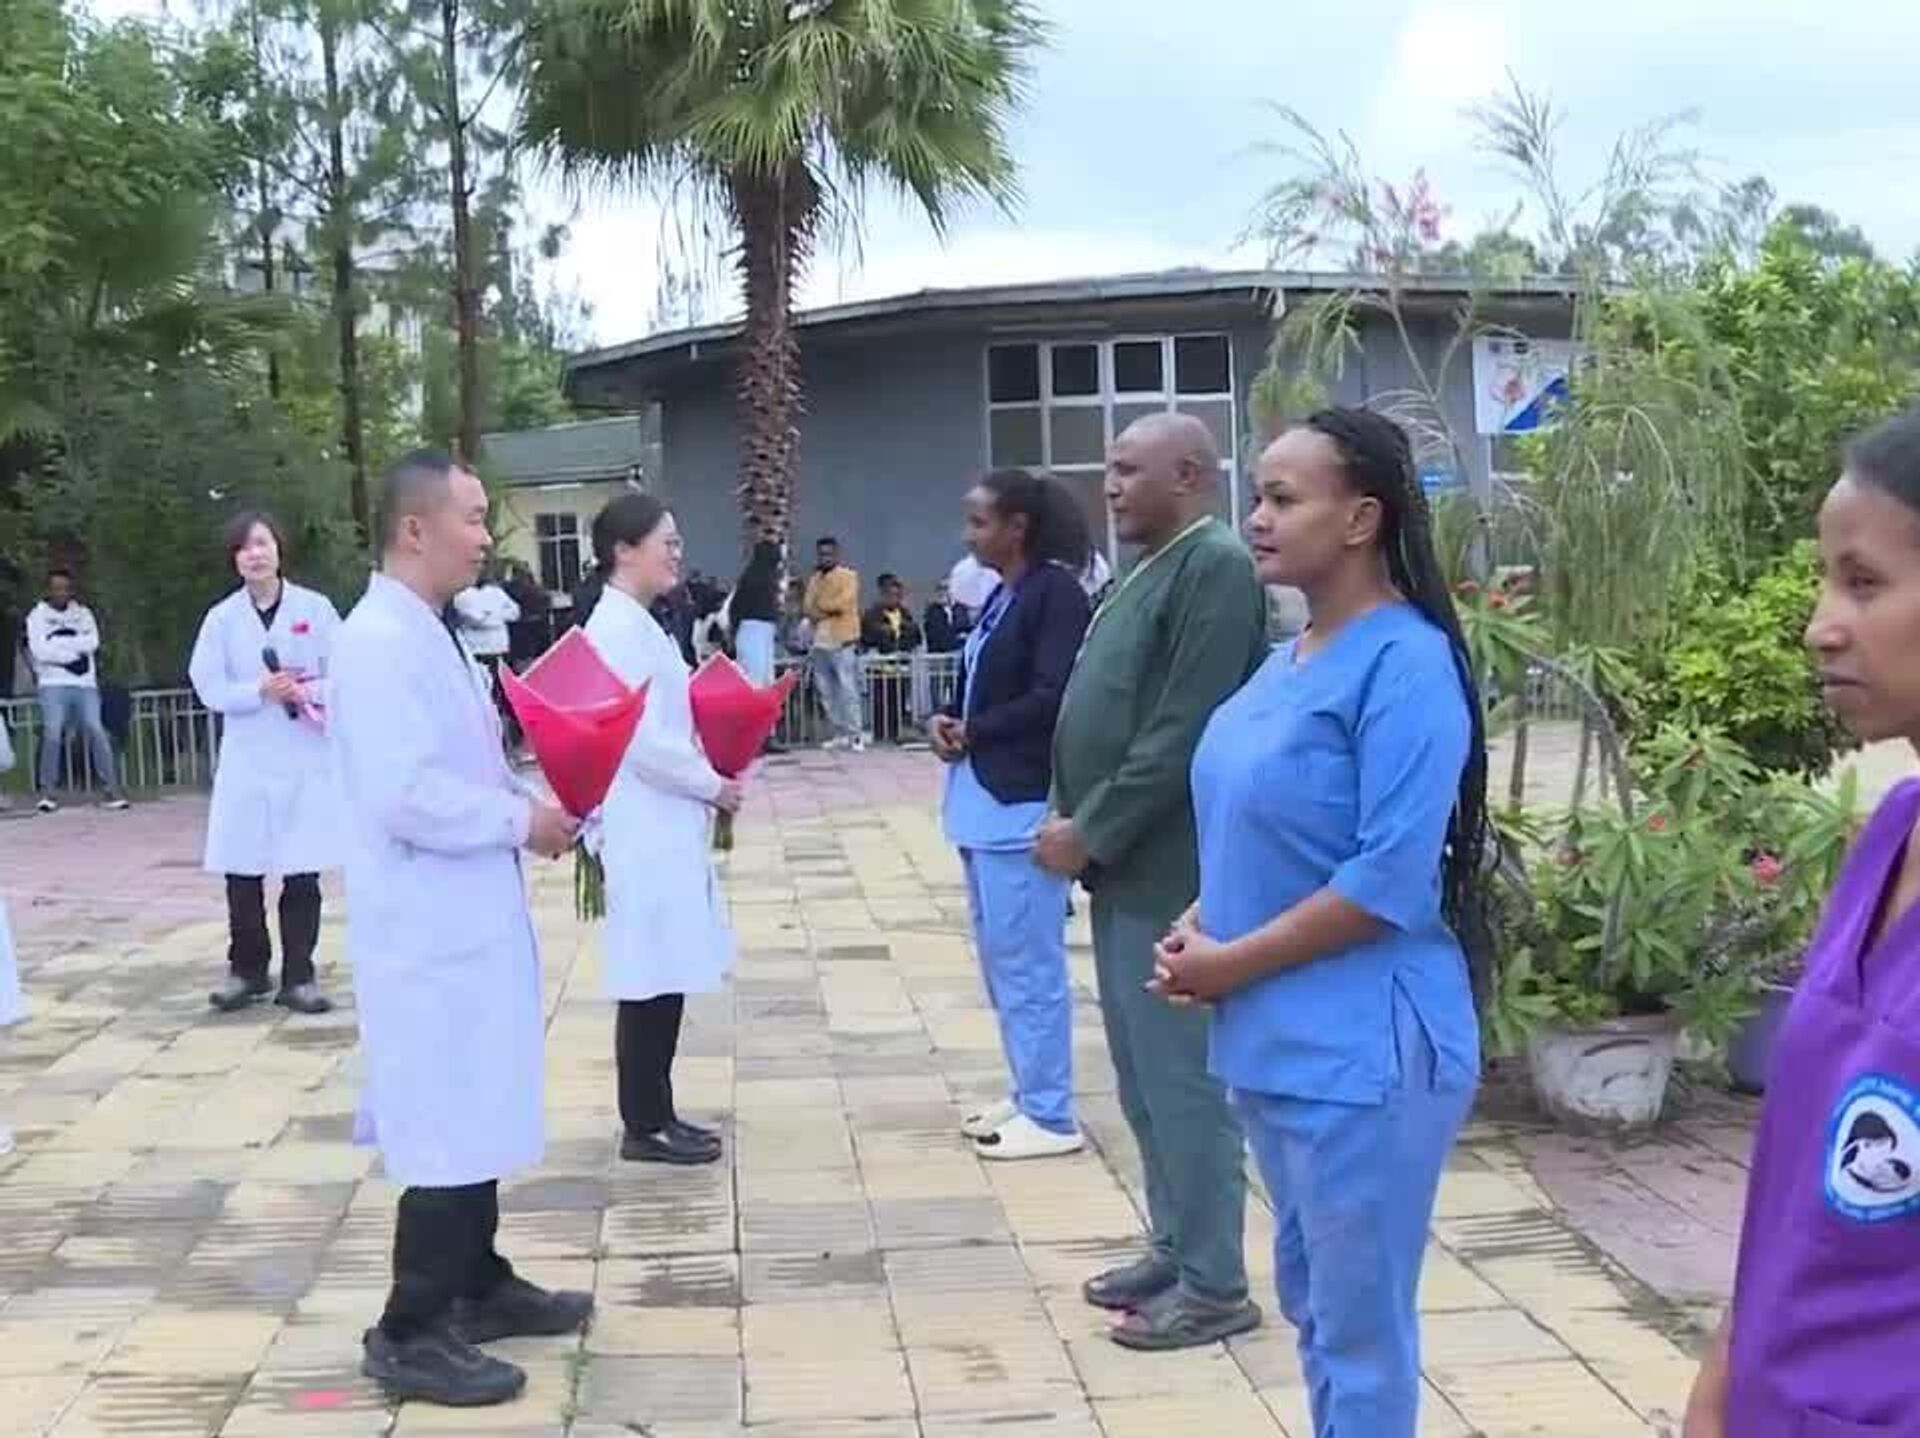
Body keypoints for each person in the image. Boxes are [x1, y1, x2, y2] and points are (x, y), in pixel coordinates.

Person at [1152, 409, 1488, 1435]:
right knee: (1313, 1303)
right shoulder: (1286, 660)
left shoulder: (1406, 665)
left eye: (1282, 498)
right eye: (1256, 495)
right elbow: (1264, 830)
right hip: (1275, 1044)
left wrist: (1227, 964)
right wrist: (1200, 922)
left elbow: (1387, 880)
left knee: (1359, 1329)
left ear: (1361, 519)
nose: (1254, 518)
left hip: (1364, 1054)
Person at [330, 451, 590, 1407]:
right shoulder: (376, 643)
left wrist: (537, 805)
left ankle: (476, 1281)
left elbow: (466, 769)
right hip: (427, 929)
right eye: (473, 518)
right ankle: (409, 1329)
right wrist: (519, 821)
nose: (487, 537)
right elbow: (405, 794)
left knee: (479, 1101)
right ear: (415, 529)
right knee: (445, 1116)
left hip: (469, 914)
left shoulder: (428, 633)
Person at [1683, 406, 1920, 1437]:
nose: (1821, 624)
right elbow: (1799, 1185)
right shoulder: (1890, 837)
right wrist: (1721, 1381)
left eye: (1864, 584)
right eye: (1827, 581)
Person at [1039, 412, 1268, 1350]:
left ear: (1190, 476)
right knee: (1140, 1084)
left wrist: (1091, 828)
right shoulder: (1146, 571)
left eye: (1131, 470)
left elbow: (1182, 729)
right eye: (1109, 468)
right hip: (1123, 875)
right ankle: (1175, 1247)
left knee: (1183, 1086)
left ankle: (1215, 1284)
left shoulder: (1214, 567)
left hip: (1172, 875)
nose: (1111, 486)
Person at [932, 470, 1092, 1160]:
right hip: (980, 802)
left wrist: (979, 730)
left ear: (1017, 527)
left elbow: (1054, 695)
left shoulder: (1055, 594)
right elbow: (979, 680)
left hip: (1020, 804)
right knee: (1002, 961)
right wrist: (947, 720)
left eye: (979, 522)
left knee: (1029, 966)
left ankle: (1051, 1114)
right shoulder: (1004, 594)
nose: (968, 535)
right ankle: (1027, 1091)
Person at [583, 494, 742, 1167]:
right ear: (624, 550)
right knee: (648, 971)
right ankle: (643, 1122)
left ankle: (658, 1111)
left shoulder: (640, 623)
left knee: (666, 968)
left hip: (664, 819)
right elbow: (640, 740)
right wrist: (712, 783)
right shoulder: (615, 630)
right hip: (642, 820)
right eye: (665, 542)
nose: (677, 553)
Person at [188, 512, 345, 1017]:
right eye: (244, 547)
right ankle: (247, 971)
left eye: (262, 543)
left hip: (302, 755)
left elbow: (345, 674)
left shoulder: (315, 609)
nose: (255, 554)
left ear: (279, 549)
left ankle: (299, 976)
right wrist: (257, 689)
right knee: (242, 869)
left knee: (301, 869)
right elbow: (208, 685)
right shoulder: (221, 619)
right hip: (248, 757)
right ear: (234, 559)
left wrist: (304, 690)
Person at [26, 568, 128, 812]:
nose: (61, 593)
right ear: (48, 590)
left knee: (96, 729)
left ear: (71, 590)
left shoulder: (83, 614)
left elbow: (92, 642)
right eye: (56, 588)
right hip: (52, 684)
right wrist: (72, 654)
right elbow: (40, 651)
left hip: (84, 684)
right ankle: (48, 792)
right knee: (53, 732)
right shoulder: (37, 616)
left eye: (65, 588)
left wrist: (56, 644)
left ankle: (112, 790)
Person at [804, 536, 863, 749]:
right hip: (820, 641)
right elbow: (807, 607)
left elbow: (842, 604)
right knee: (826, 691)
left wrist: (822, 606)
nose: (825, 558)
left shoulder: (849, 576)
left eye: (829, 554)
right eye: (822, 554)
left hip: (843, 640)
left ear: (837, 554)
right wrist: (824, 609)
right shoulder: (814, 579)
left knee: (847, 689)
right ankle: (838, 732)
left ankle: (855, 735)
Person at [730, 539, 783, 685]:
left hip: (753, 629)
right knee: (759, 680)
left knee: (758, 679)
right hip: (755, 629)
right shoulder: (763, 579)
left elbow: (735, 608)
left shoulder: (751, 576)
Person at [922, 581, 971, 655]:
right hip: (940, 654)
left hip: (960, 652)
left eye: (946, 588)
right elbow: (938, 634)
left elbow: (966, 628)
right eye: (940, 589)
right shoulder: (933, 611)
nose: (942, 592)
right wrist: (957, 637)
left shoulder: (961, 609)